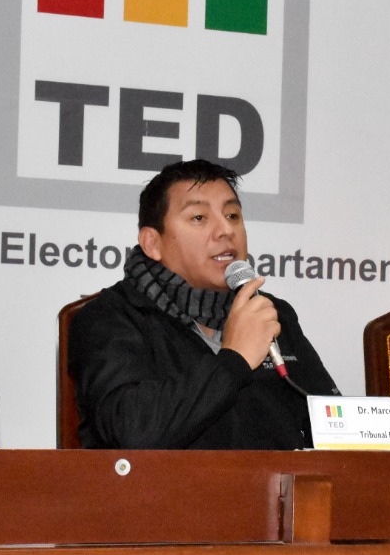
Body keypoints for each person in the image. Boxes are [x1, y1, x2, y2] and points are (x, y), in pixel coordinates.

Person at [67, 159, 338, 449]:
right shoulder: (109, 318)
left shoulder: (269, 313)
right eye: (199, 218)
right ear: (152, 243)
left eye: (232, 215)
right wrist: (235, 360)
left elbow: (337, 430)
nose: (226, 230)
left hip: (276, 480)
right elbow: (131, 431)